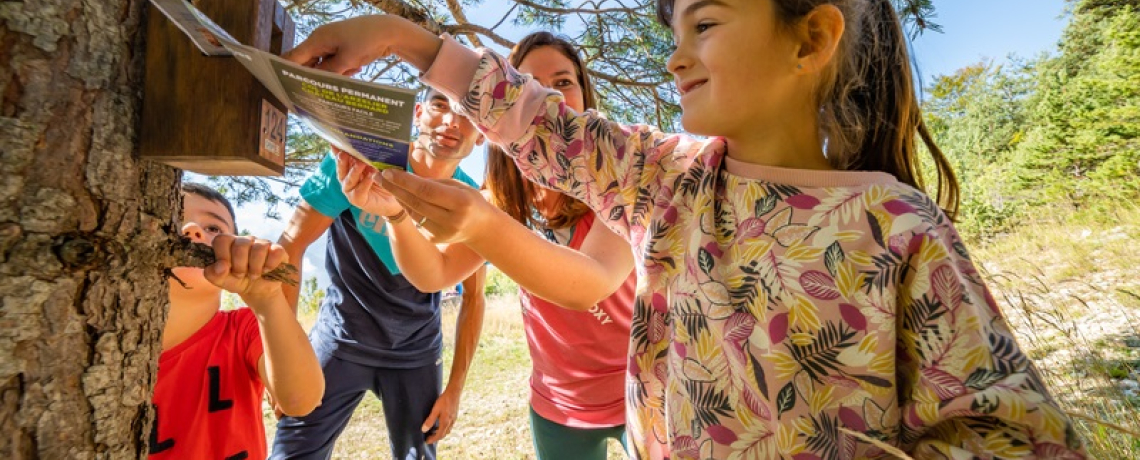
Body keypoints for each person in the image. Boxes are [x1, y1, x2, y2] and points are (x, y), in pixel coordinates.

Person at [284, 0, 1088, 458]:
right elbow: (537, 123)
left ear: (811, 37)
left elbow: (1012, 435)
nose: (675, 58)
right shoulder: (668, 179)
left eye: (704, 25)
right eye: (673, 35)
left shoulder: (896, 226)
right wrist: (402, 40)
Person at [335, 31, 636, 460]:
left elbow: (591, 282)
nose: (548, 95)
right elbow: (433, 274)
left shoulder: (616, 176)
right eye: (528, 83)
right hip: (557, 404)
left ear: (586, 98)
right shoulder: (500, 197)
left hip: (640, 388)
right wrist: (395, 214)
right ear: (502, 105)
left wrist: (483, 225)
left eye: (564, 82)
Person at [271, 89, 487, 460]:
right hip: (338, 341)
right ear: (417, 113)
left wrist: (454, 390)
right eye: (440, 105)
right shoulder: (360, 163)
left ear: (482, 134)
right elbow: (290, 245)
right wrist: (284, 362)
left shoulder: (470, 199)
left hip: (415, 353)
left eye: (468, 114)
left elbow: (474, 296)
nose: (452, 121)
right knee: (292, 453)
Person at [150, 183, 323, 460]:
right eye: (175, 220)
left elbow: (301, 401)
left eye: (214, 230)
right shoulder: (102, 344)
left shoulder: (244, 330)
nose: (192, 229)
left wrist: (268, 301)